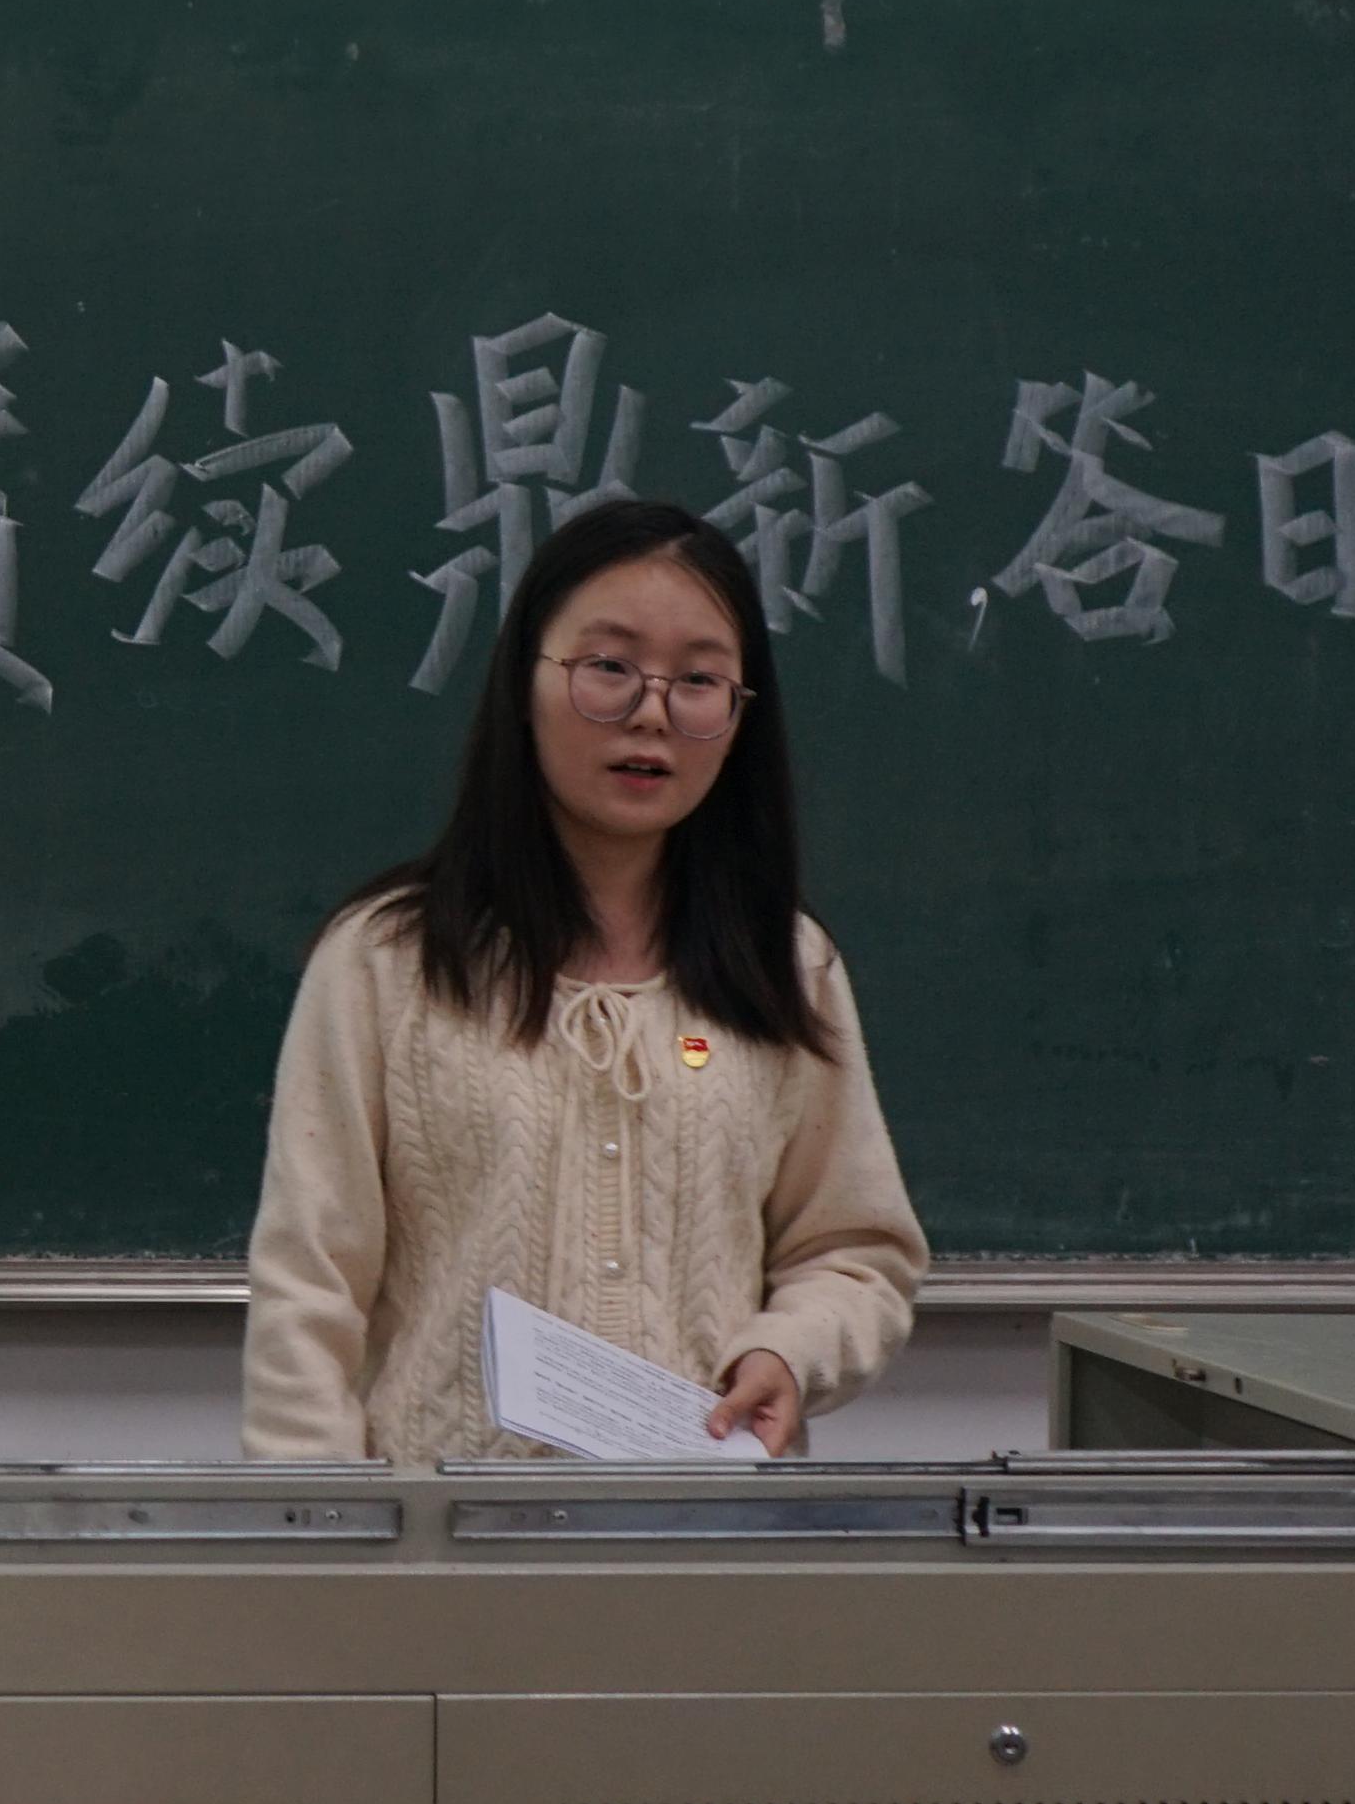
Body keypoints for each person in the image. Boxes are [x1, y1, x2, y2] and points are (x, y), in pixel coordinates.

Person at [242, 498, 927, 1459]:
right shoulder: (386, 959)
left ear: (739, 717)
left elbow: (855, 1253)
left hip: (705, 1528)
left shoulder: (784, 962)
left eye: (699, 679)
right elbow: (306, 1285)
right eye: (608, 666)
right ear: (524, 682)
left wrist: (791, 1348)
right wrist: (319, 1512)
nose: (651, 711)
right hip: (443, 1527)